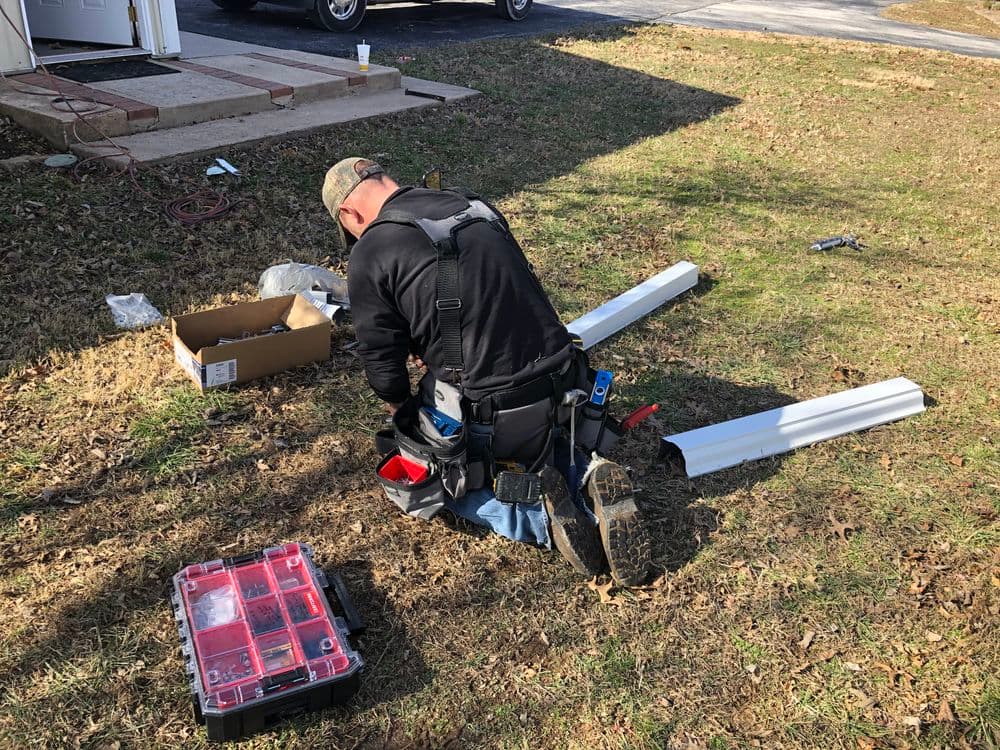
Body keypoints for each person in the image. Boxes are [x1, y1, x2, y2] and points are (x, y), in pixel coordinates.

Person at [322, 157, 652, 586]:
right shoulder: (472, 206)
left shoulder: (371, 250)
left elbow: (382, 359)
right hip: (565, 381)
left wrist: (403, 413)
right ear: (386, 179)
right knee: (545, 440)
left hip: (495, 412)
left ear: (349, 213)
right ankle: (587, 475)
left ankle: (539, 518)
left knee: (429, 483)